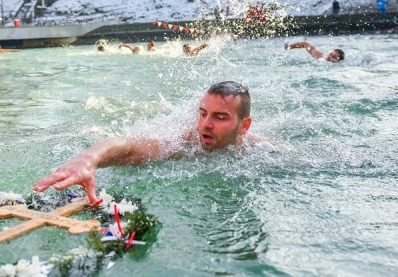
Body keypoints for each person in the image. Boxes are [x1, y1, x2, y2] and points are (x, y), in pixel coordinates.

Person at [33, 81, 258, 203]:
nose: (205, 125)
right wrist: (87, 159)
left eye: (220, 117)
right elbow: (130, 147)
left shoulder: (261, 149)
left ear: (244, 126)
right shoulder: (183, 142)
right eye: (202, 113)